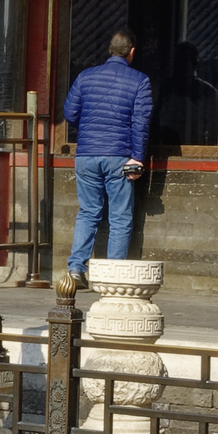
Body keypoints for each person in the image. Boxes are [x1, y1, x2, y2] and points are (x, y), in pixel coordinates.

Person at [63, 28, 152, 288]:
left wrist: (91, 128)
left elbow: (70, 113)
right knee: (120, 217)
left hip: (87, 155)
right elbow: (141, 123)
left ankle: (76, 269)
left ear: (110, 50)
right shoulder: (140, 81)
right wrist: (137, 157)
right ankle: (112, 275)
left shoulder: (85, 76)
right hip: (119, 156)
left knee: (88, 213)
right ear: (132, 52)